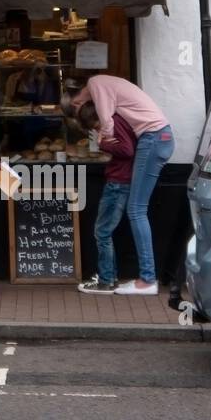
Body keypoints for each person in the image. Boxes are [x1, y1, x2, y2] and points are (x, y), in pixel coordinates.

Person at [71, 75, 174, 296]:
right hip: (158, 136)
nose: (77, 104)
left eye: (77, 103)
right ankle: (144, 278)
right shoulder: (109, 88)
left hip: (154, 137)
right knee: (135, 210)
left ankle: (146, 280)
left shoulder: (96, 83)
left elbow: (107, 122)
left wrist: (102, 142)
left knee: (136, 211)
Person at [76, 104, 137, 294]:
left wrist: (103, 144)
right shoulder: (118, 121)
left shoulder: (115, 122)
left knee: (102, 232)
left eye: (95, 126)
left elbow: (127, 150)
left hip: (118, 184)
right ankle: (110, 277)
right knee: (105, 232)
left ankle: (106, 280)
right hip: (119, 182)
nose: (96, 130)